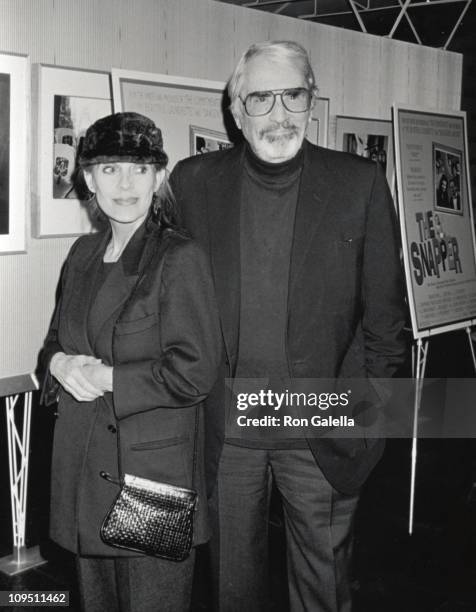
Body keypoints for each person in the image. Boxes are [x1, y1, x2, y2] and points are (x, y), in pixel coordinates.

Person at [170, 40, 407, 611]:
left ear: (311, 99)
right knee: (232, 587)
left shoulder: (358, 183)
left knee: (322, 589)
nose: (278, 113)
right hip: (227, 427)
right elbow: (163, 297)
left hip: (322, 420)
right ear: (236, 108)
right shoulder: (193, 183)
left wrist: (370, 424)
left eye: (292, 94)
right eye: (260, 98)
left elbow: (386, 325)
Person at [40, 112, 221, 612]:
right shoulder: (81, 254)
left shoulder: (178, 258)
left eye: (139, 170)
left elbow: (196, 371)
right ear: (88, 178)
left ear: (159, 178)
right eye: (111, 168)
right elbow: (55, 341)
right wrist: (57, 366)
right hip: (84, 469)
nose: (125, 184)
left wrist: (109, 377)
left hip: (151, 474)